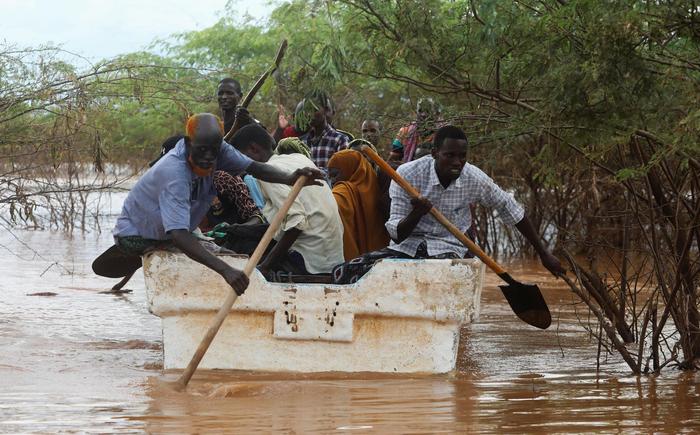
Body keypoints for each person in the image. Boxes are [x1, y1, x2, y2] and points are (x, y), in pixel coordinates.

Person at [112, 113, 323, 295]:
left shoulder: (219, 149)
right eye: (201, 150)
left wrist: (290, 178)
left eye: (213, 150)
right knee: (221, 266)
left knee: (232, 259)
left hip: (177, 231)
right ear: (187, 144)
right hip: (137, 236)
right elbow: (179, 234)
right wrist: (225, 271)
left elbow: (255, 167)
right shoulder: (174, 173)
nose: (208, 157)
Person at [332, 125, 564, 284]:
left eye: (462, 156)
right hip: (406, 247)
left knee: (435, 275)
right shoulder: (408, 175)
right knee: (345, 271)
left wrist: (543, 254)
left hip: (448, 248)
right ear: (434, 153)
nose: (457, 162)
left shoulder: (473, 178)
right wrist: (417, 213)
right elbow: (397, 234)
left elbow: (511, 210)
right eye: (449, 156)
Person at [231, 124, 345, 278]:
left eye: (240, 158)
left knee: (241, 252)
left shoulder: (268, 173)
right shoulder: (299, 158)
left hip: (310, 261)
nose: (239, 165)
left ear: (253, 149)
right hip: (332, 257)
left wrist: (264, 267)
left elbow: (296, 224)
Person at [327, 149, 390, 260]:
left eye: (335, 175)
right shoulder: (375, 185)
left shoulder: (341, 192)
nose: (332, 181)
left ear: (350, 169)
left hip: (352, 260)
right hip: (380, 257)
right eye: (330, 177)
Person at [297, 91, 350, 170]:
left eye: (314, 110)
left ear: (325, 110)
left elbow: (343, 172)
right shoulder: (302, 143)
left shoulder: (340, 140)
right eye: (306, 110)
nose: (309, 114)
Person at [392, 97, 442, 163]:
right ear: (416, 112)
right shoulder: (405, 130)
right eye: (420, 111)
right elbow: (393, 159)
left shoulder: (444, 133)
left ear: (436, 113)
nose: (423, 114)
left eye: (427, 111)